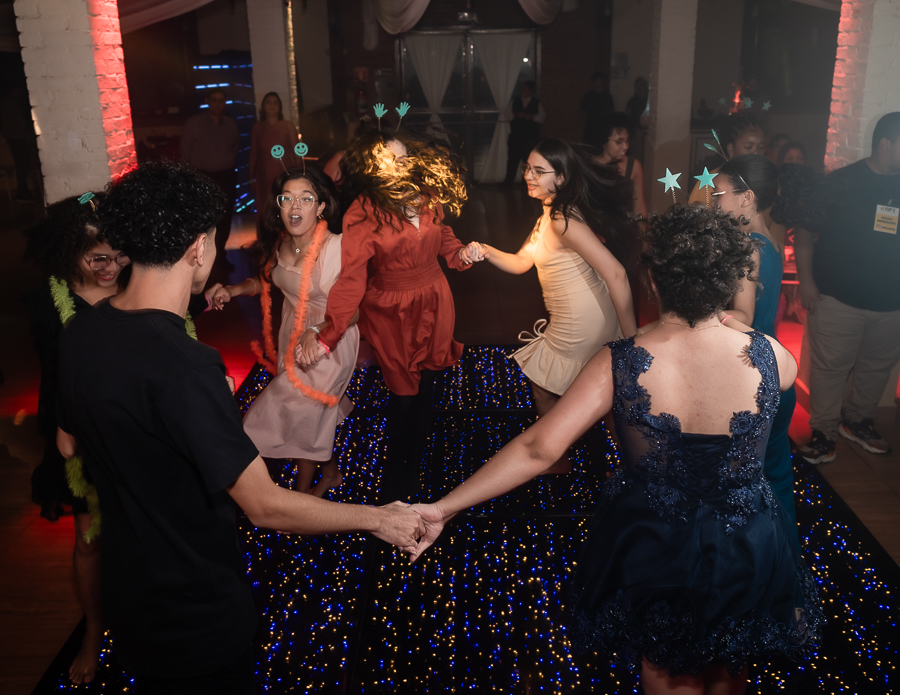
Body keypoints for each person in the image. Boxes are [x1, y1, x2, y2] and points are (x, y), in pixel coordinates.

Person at [410, 203, 823, 694]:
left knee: (663, 667)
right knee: (730, 665)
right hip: (747, 541)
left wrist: (444, 507)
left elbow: (539, 449)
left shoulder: (620, 363)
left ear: (653, 281)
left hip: (656, 542)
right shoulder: (775, 359)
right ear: (733, 281)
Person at [55, 161, 425, 694]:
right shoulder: (188, 369)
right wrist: (380, 519)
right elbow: (265, 506)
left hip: (128, 594)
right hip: (196, 611)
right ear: (199, 248)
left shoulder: (79, 333)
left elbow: (70, 442)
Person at [317, 128, 480, 502]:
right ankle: (396, 485)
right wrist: (330, 332)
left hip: (436, 300)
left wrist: (460, 253)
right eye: (388, 158)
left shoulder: (427, 195)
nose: (398, 165)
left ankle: (418, 466)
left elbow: (442, 235)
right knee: (404, 395)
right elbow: (352, 278)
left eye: (403, 157)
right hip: (392, 311)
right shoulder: (363, 211)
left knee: (426, 390)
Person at [468, 139, 636, 473]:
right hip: (579, 318)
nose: (528, 176)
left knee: (567, 390)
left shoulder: (562, 218)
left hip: (583, 322)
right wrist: (485, 250)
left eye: (539, 171)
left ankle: (566, 459)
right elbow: (521, 261)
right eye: (527, 168)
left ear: (561, 177)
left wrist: (633, 341)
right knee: (596, 394)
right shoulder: (550, 213)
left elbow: (616, 273)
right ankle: (622, 461)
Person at [23, 193, 123, 685]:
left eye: (119, 255)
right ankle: (93, 631)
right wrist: (68, 426)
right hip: (77, 438)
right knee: (89, 541)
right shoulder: (49, 302)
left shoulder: (138, 288)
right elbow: (55, 375)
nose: (111, 267)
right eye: (97, 258)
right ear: (70, 252)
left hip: (133, 433)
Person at [212, 167, 359, 496]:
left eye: (306, 199)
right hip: (292, 333)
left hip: (330, 339)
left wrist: (317, 330)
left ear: (321, 207)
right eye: (287, 198)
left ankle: (300, 499)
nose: (295, 206)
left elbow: (355, 310)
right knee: (309, 413)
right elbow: (269, 280)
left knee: (295, 413)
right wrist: (233, 290)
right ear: (278, 205)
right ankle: (330, 473)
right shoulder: (281, 243)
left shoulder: (335, 248)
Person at [710, 154, 819, 540]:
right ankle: (784, 563)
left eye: (719, 193)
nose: (713, 200)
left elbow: (743, 316)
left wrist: (702, 311)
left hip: (754, 379)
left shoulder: (748, 248)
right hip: (772, 375)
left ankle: (762, 562)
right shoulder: (767, 239)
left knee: (747, 483)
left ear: (746, 197)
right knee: (775, 477)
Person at [795, 112, 900, 463]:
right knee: (830, 370)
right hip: (836, 298)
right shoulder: (841, 183)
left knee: (876, 368)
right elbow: (804, 232)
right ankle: (823, 433)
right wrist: (806, 282)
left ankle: (858, 422)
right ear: (885, 144)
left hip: (891, 303)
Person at [181, 87, 240, 279]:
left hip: (226, 177)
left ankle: (220, 255)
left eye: (221, 100)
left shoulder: (230, 124)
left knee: (225, 218)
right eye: (214, 100)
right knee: (204, 220)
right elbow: (184, 153)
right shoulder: (194, 123)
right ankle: (203, 260)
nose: (217, 104)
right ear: (207, 101)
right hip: (202, 178)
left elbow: (235, 148)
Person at [250, 92, 300, 215]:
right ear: (263, 106)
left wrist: (300, 174)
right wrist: (250, 177)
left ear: (280, 107)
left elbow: (296, 151)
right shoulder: (257, 127)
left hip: (283, 170)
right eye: (268, 102)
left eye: (275, 103)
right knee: (265, 204)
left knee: (284, 203)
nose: (272, 105)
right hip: (264, 171)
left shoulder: (288, 126)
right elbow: (254, 152)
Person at [594, 112, 648, 219]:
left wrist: (643, 227)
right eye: (619, 142)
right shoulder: (590, 165)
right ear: (604, 141)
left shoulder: (633, 166)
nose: (625, 147)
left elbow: (639, 207)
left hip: (624, 226)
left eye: (627, 141)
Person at [505, 81, 546, 183]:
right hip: (516, 136)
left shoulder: (536, 102)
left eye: (525, 89)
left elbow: (542, 118)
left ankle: (527, 182)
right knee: (512, 159)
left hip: (530, 137)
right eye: (522, 89)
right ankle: (509, 181)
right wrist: (516, 115)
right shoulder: (515, 101)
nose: (522, 91)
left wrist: (532, 117)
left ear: (530, 91)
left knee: (528, 160)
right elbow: (507, 115)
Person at [580, 72, 614, 149]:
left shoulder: (607, 96)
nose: (598, 83)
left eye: (600, 81)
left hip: (604, 127)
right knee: (589, 148)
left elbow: (610, 112)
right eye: (596, 81)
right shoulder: (588, 96)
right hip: (591, 127)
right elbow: (582, 112)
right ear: (593, 83)